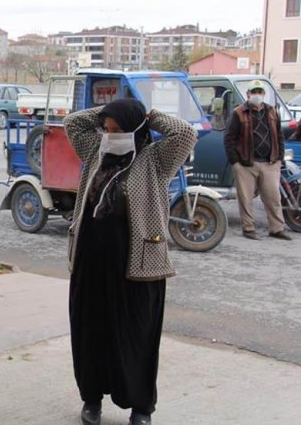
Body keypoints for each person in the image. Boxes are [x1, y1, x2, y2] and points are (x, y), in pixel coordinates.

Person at [64, 99, 197, 425]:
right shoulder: (95, 150)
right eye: (107, 130)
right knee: (90, 331)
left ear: (137, 130)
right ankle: (91, 399)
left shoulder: (156, 159)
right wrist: (106, 112)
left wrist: (152, 116)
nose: (110, 135)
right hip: (91, 260)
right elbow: (72, 123)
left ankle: (141, 407)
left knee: (137, 335)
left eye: (118, 130)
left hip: (138, 264)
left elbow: (186, 134)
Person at [223, 80, 291, 241]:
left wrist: (279, 158)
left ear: (264, 94)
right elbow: (229, 139)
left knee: (273, 197)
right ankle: (248, 229)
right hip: (246, 164)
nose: (257, 95)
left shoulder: (272, 112)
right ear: (248, 94)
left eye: (260, 92)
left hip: (270, 162)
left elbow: (279, 136)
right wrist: (236, 162)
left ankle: (277, 229)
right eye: (254, 92)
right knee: (245, 198)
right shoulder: (238, 113)